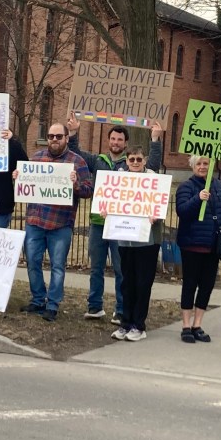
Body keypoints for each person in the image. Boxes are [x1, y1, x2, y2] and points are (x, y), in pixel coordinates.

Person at [17, 121, 93, 322]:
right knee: (32, 262)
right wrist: (18, 177)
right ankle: (38, 299)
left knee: (57, 266)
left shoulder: (77, 161)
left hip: (60, 223)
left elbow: (88, 190)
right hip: (35, 220)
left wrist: (76, 184)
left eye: (59, 136)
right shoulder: (37, 158)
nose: (54, 140)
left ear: (67, 138)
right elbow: (25, 184)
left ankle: (52, 304)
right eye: (51, 136)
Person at [65, 113, 129, 324]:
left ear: (125, 143)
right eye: (113, 139)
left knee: (121, 270)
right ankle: (95, 306)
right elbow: (76, 154)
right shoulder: (98, 161)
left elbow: (153, 166)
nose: (116, 142)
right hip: (98, 223)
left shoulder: (131, 165)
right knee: (96, 267)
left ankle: (121, 310)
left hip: (120, 224)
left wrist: (155, 140)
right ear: (108, 141)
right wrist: (73, 132)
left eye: (120, 140)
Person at [111, 124, 164, 342]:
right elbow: (111, 200)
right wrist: (107, 211)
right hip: (126, 240)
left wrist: (156, 215)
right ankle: (125, 322)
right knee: (127, 282)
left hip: (147, 242)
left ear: (144, 161)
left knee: (143, 283)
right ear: (126, 160)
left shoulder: (153, 179)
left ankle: (139, 325)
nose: (134, 163)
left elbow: (160, 205)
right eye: (131, 159)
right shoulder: (120, 179)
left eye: (138, 159)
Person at [174, 154, 221, 343]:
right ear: (192, 166)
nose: (202, 166)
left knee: (207, 286)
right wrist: (198, 199)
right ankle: (185, 325)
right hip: (192, 244)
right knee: (190, 284)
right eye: (198, 163)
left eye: (205, 163)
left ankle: (197, 324)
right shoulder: (186, 187)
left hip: (213, 245)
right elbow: (182, 211)